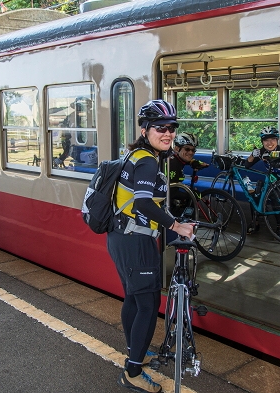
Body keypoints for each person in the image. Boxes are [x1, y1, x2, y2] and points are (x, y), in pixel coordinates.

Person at [108, 100, 195, 393]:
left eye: (172, 128)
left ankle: (136, 350)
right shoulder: (147, 160)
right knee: (147, 305)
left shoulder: (138, 154)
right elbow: (144, 202)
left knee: (133, 298)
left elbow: (142, 202)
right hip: (135, 241)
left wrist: (168, 221)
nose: (168, 133)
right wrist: (176, 226)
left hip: (122, 237)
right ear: (145, 129)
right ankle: (132, 373)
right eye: (161, 128)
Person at [244, 126, 280, 235]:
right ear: (262, 142)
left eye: (272, 139)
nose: (269, 143)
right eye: (266, 140)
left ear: (277, 140)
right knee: (255, 195)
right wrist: (252, 155)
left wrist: (269, 155)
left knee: (274, 194)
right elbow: (247, 165)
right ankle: (255, 223)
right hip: (273, 183)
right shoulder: (262, 151)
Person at [167, 132, 209, 217]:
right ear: (177, 148)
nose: (191, 153)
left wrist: (193, 162)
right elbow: (171, 192)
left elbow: (185, 160)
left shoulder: (177, 158)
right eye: (187, 149)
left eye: (193, 150)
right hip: (165, 202)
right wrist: (190, 194)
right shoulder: (173, 164)